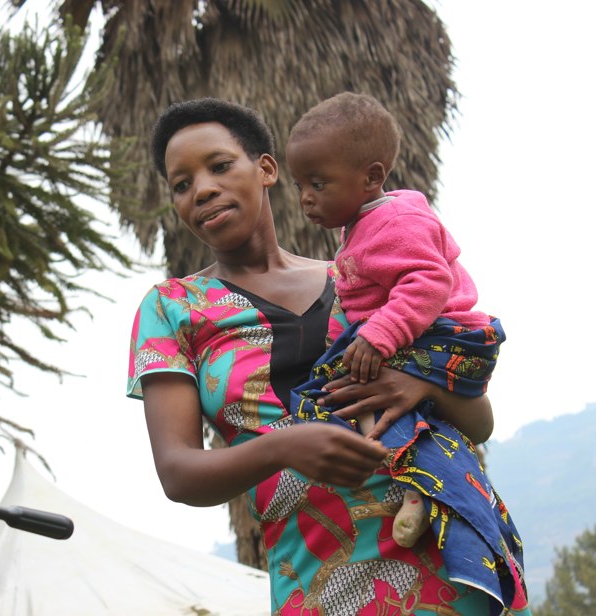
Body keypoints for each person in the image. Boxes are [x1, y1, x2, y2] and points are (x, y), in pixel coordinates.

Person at [126, 97, 529, 615]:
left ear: (267, 168)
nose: (202, 189)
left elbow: (479, 420)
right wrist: (283, 448)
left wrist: (422, 385)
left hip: (451, 565)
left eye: (220, 166)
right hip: (319, 583)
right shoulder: (172, 309)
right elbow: (178, 473)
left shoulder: (364, 277)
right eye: (181, 185)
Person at [283, 92, 505, 549]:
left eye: (318, 184)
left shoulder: (394, 222)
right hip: (424, 337)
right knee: (355, 393)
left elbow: (428, 281)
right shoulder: (363, 223)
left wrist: (379, 335)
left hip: (445, 335)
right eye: (300, 185)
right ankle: (411, 478)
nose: (305, 198)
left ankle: (418, 487)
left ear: (371, 177)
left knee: (356, 395)